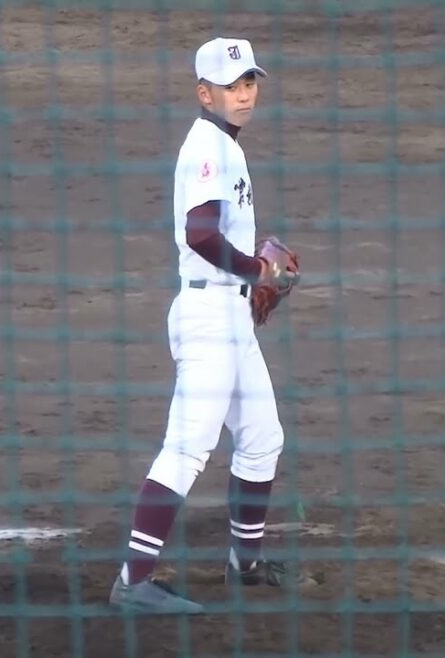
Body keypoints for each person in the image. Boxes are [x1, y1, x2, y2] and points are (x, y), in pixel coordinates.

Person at [107, 36, 298, 615]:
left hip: (230, 315)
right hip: (208, 317)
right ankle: (133, 581)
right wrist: (258, 270)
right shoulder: (208, 147)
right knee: (188, 449)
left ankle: (246, 563)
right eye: (230, 86)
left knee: (262, 438)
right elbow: (200, 234)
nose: (243, 94)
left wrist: (251, 279)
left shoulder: (225, 144)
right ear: (204, 93)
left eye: (249, 83)